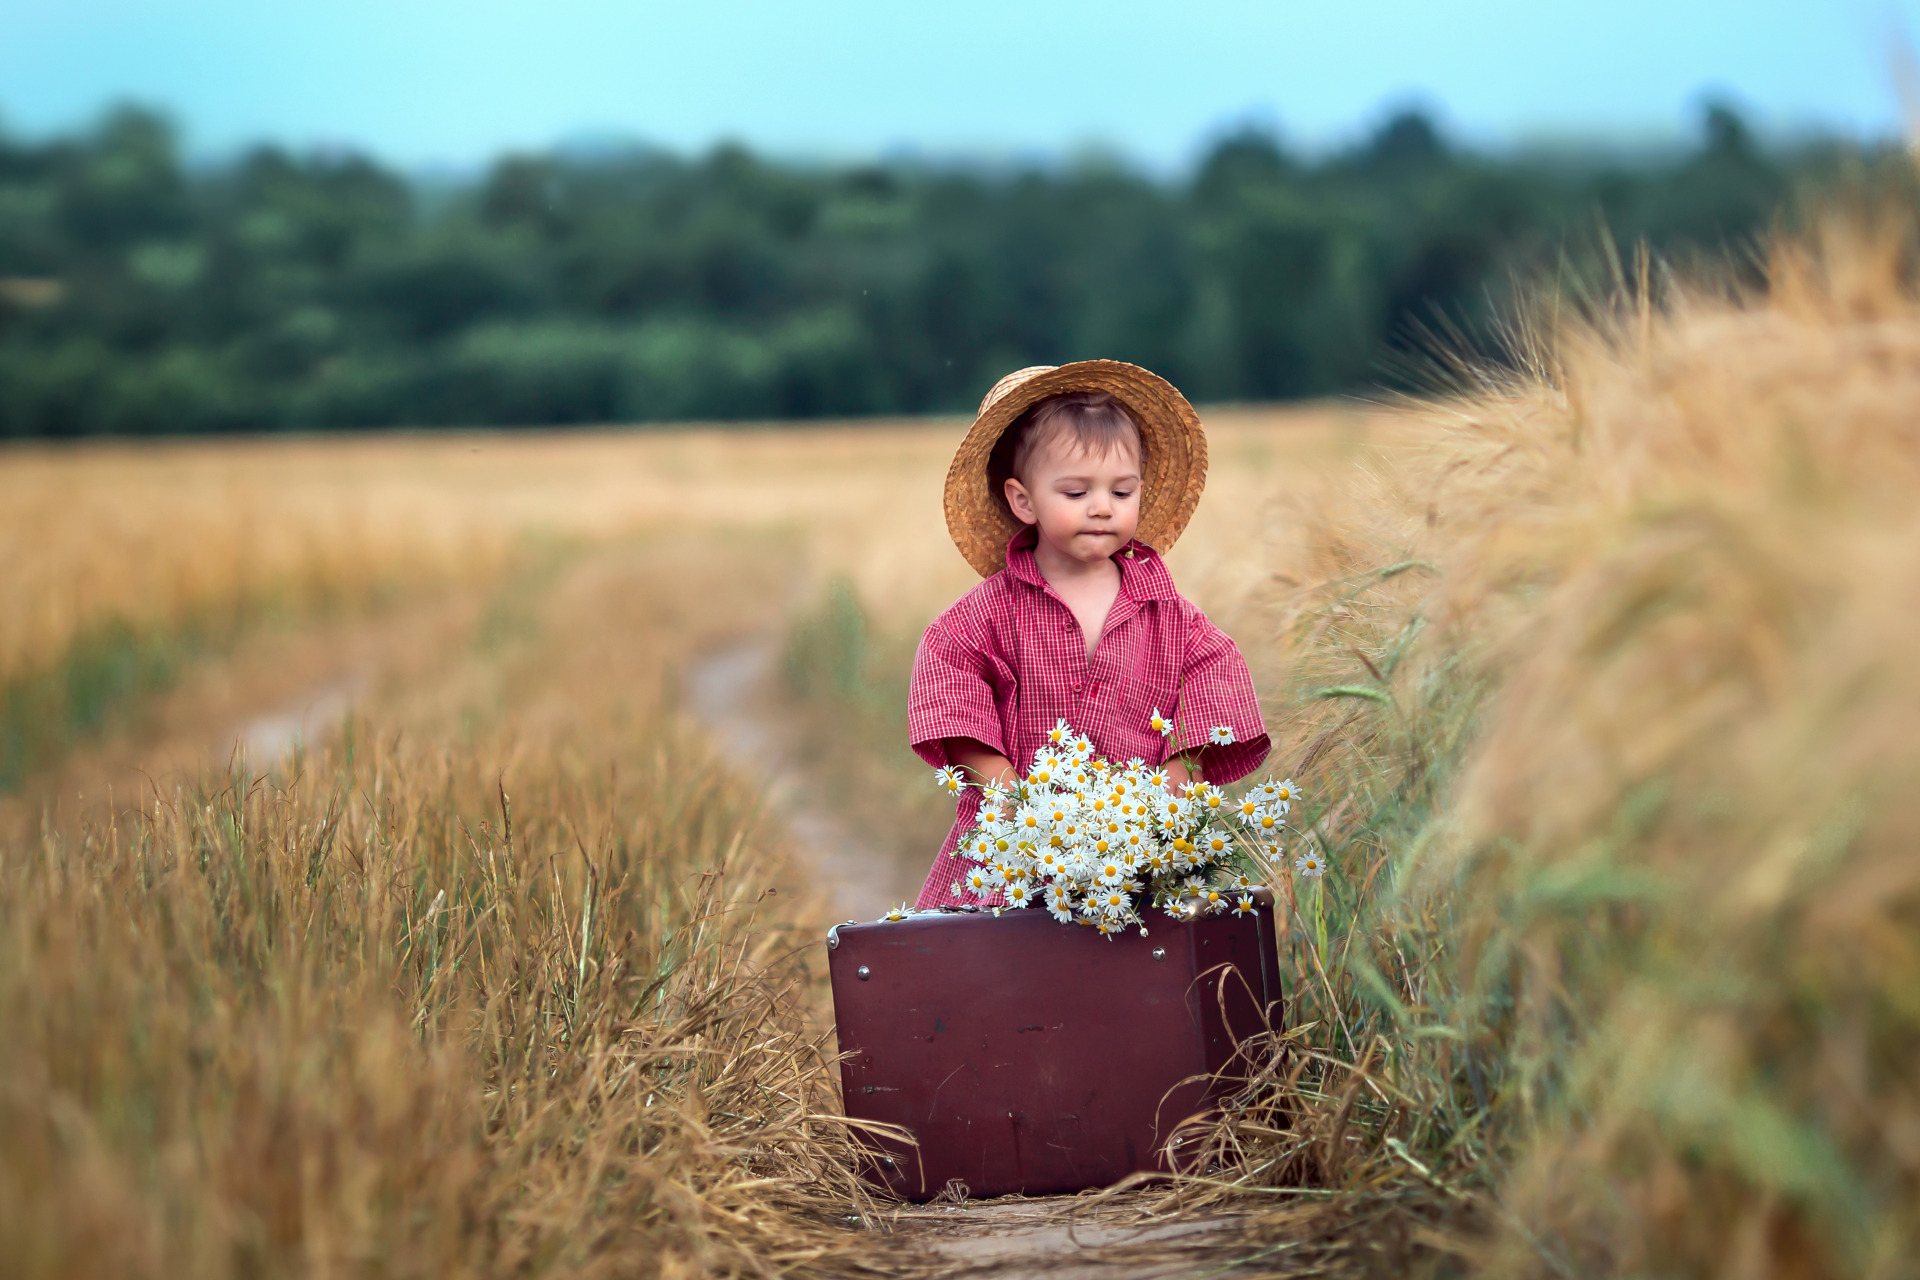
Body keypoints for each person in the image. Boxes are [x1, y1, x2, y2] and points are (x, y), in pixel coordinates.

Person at [907, 360, 1269, 909]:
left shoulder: (1171, 616)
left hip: (1135, 855)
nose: (1102, 507)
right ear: (1023, 500)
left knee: (1137, 977)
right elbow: (950, 687)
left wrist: (1169, 787)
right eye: (1076, 493)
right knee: (994, 976)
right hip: (1017, 853)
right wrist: (1007, 796)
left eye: (1121, 493)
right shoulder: (983, 616)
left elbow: (1218, 686)